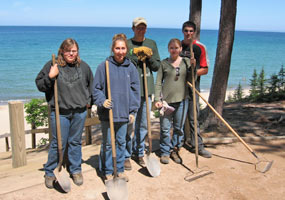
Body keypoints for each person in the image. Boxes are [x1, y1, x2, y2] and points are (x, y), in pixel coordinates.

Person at [35, 38, 93, 189]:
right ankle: (50, 171)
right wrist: (50, 76)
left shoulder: (84, 66)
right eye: (68, 51)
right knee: (58, 143)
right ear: (62, 51)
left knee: (75, 142)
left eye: (74, 51)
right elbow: (40, 85)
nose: (71, 54)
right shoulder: (52, 64)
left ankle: (75, 169)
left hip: (79, 112)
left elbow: (91, 84)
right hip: (60, 112)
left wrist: (89, 101)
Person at [92, 33, 140, 182]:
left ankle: (119, 169)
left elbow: (135, 90)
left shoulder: (130, 67)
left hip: (124, 113)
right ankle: (107, 170)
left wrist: (132, 110)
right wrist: (102, 101)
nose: (120, 51)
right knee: (107, 144)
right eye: (117, 48)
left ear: (126, 49)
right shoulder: (104, 66)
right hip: (109, 113)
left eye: (123, 48)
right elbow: (96, 88)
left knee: (121, 142)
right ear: (112, 49)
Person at [124, 17, 161, 170]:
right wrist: (135, 53)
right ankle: (126, 155)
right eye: (138, 27)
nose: (141, 30)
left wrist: (150, 57)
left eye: (143, 27)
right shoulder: (127, 43)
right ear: (133, 29)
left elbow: (157, 66)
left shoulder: (151, 43)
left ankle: (139, 152)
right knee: (129, 124)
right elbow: (123, 60)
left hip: (147, 89)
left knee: (143, 124)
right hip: (130, 89)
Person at [155, 38, 195, 164]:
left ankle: (175, 150)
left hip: (183, 101)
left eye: (176, 48)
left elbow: (193, 77)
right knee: (165, 129)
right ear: (168, 49)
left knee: (179, 128)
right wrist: (157, 99)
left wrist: (194, 66)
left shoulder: (186, 62)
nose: (174, 50)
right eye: (171, 48)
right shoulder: (163, 63)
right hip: (166, 102)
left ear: (180, 49)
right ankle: (165, 152)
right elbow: (158, 83)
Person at [180, 21, 212, 158]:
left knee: (193, 116)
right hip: (178, 86)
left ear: (194, 32)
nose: (188, 33)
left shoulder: (199, 47)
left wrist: (192, 72)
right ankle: (177, 144)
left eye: (191, 31)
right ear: (183, 31)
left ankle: (198, 145)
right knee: (179, 117)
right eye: (186, 31)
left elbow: (205, 70)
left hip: (193, 85)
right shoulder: (178, 46)